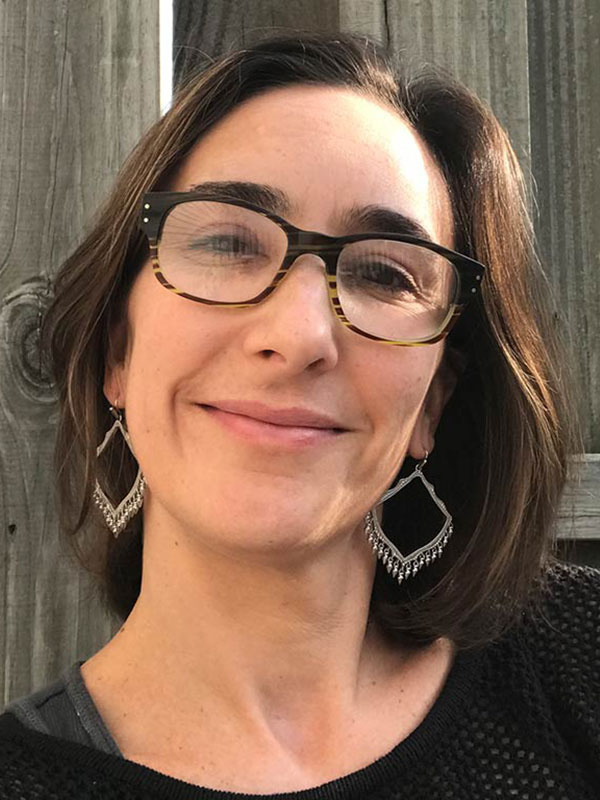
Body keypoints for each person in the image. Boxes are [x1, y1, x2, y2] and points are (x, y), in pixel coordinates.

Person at [0, 31, 598, 800]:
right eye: (226, 242)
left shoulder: (579, 667)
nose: (300, 336)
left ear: (432, 405)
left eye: (385, 272)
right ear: (118, 353)